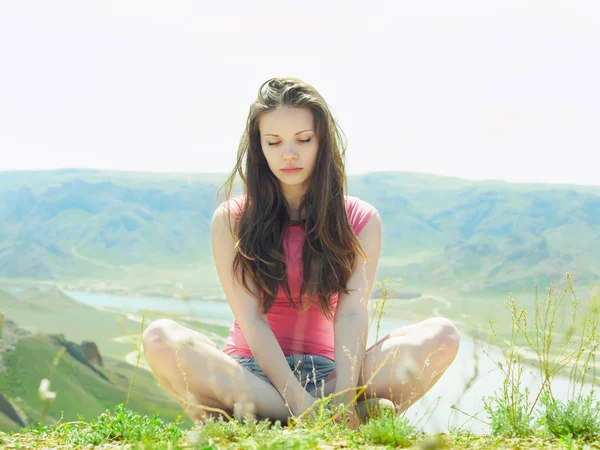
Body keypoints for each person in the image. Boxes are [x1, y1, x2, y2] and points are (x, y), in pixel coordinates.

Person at [141, 77, 460, 429]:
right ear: (259, 147)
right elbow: (252, 319)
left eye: (303, 140)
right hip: (249, 374)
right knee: (160, 338)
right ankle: (320, 420)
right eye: (274, 142)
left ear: (322, 142)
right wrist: (297, 401)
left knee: (441, 336)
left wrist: (344, 393)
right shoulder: (232, 219)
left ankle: (271, 419)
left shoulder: (360, 218)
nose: (288, 154)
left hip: (331, 375)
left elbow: (352, 312)